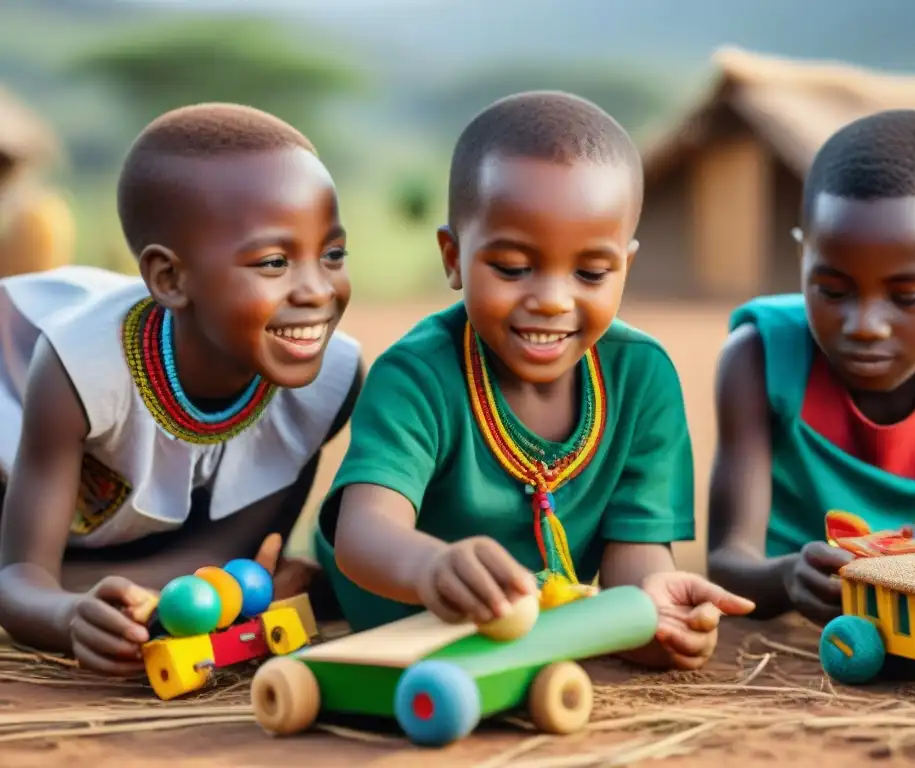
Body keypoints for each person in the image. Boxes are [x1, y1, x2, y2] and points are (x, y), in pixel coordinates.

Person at [316, 91, 754, 670]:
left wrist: (651, 609)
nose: (551, 300)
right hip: (408, 635)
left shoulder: (640, 378)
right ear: (453, 257)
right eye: (513, 268)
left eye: (590, 273)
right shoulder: (417, 374)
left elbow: (637, 550)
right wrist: (432, 568)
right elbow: (365, 533)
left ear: (626, 267)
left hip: (541, 641)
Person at [0, 103, 364, 675]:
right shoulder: (78, 368)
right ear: (170, 278)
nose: (318, 289)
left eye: (333, 254)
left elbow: (224, 556)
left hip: (111, 549)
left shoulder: (325, 385)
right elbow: (20, 577)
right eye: (274, 262)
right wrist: (67, 617)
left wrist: (143, 603)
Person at [707, 109, 915, 625]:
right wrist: (788, 577)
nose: (865, 325)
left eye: (908, 296)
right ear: (803, 257)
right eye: (832, 290)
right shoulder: (758, 357)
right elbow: (728, 561)